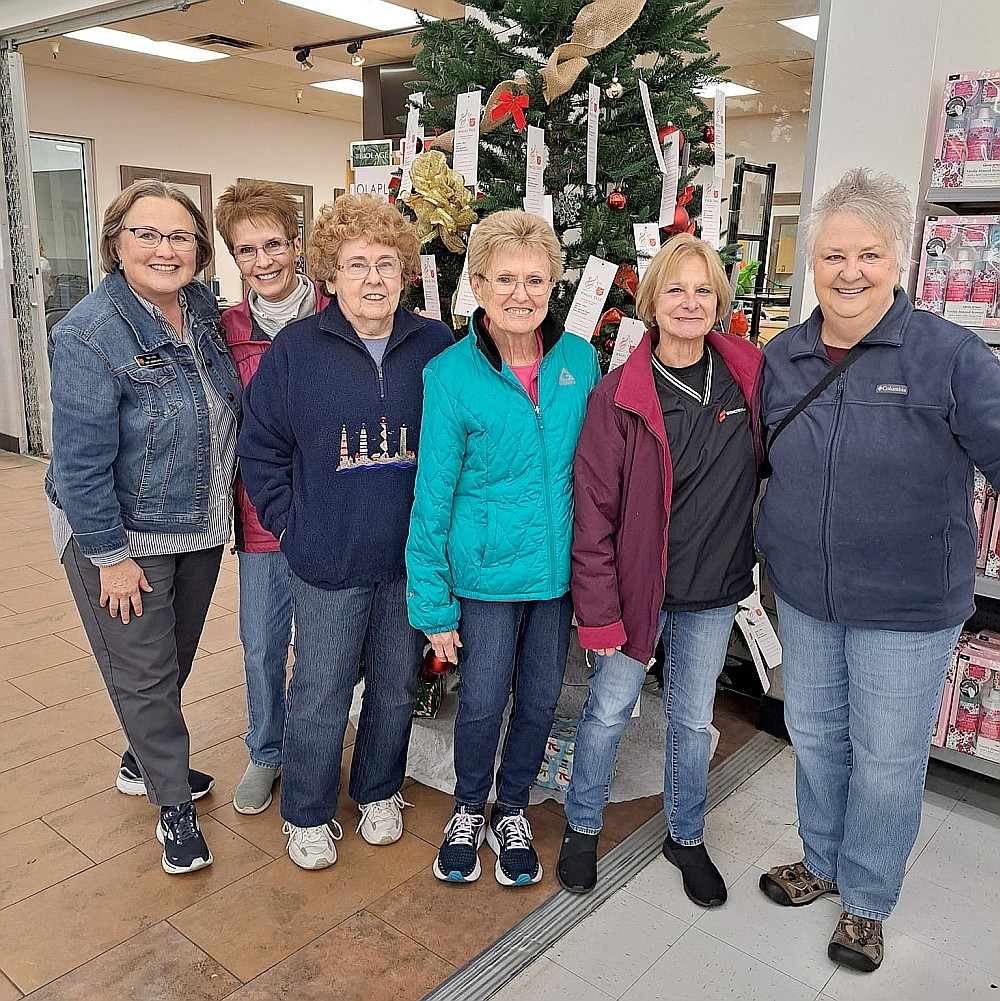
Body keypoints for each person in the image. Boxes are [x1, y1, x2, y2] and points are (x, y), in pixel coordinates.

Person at [755, 167, 1000, 973]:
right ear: (812, 263)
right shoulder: (784, 356)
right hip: (807, 597)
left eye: (867, 254)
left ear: (899, 262)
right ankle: (822, 860)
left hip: (907, 608)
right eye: (832, 255)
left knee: (890, 759)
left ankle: (866, 899)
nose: (848, 272)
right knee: (817, 736)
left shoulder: (951, 357)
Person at [237, 193, 453, 870]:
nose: (373, 278)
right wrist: (293, 525)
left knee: (394, 685)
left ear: (405, 272)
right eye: (357, 264)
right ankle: (305, 809)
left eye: (386, 263)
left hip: (408, 560)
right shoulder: (298, 350)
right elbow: (260, 449)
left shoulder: (436, 345)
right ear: (329, 274)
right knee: (321, 690)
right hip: (325, 556)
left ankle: (379, 789)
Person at [557, 233, 763, 907]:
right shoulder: (618, 396)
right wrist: (600, 610)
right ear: (651, 300)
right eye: (675, 288)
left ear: (719, 302)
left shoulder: (748, 378)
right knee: (609, 710)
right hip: (633, 592)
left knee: (692, 718)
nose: (690, 301)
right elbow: (591, 514)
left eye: (703, 289)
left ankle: (687, 832)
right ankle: (582, 825)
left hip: (712, 590)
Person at [45, 179, 241, 875]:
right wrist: (109, 555)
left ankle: (143, 758)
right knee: (148, 673)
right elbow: (78, 466)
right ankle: (173, 809)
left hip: (198, 524)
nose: (166, 248)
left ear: (200, 248)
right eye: (147, 234)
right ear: (115, 243)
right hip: (122, 538)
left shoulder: (200, 309)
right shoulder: (88, 335)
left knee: (174, 659)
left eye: (181, 236)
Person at [406, 209, 600, 887]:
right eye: (506, 279)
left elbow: (598, 476)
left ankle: (510, 808)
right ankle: (467, 806)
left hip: (555, 575)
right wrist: (433, 606)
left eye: (536, 279)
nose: (522, 293)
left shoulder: (581, 360)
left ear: (555, 284)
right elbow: (431, 496)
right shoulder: (449, 375)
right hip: (485, 576)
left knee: (543, 697)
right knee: (484, 698)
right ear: (478, 286)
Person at [215, 179, 330, 815]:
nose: (263, 262)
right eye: (246, 250)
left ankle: (316, 748)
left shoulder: (335, 318)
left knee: (324, 646)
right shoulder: (225, 328)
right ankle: (265, 751)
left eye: (273, 245)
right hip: (260, 516)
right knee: (261, 643)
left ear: (297, 245)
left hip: (331, 513)